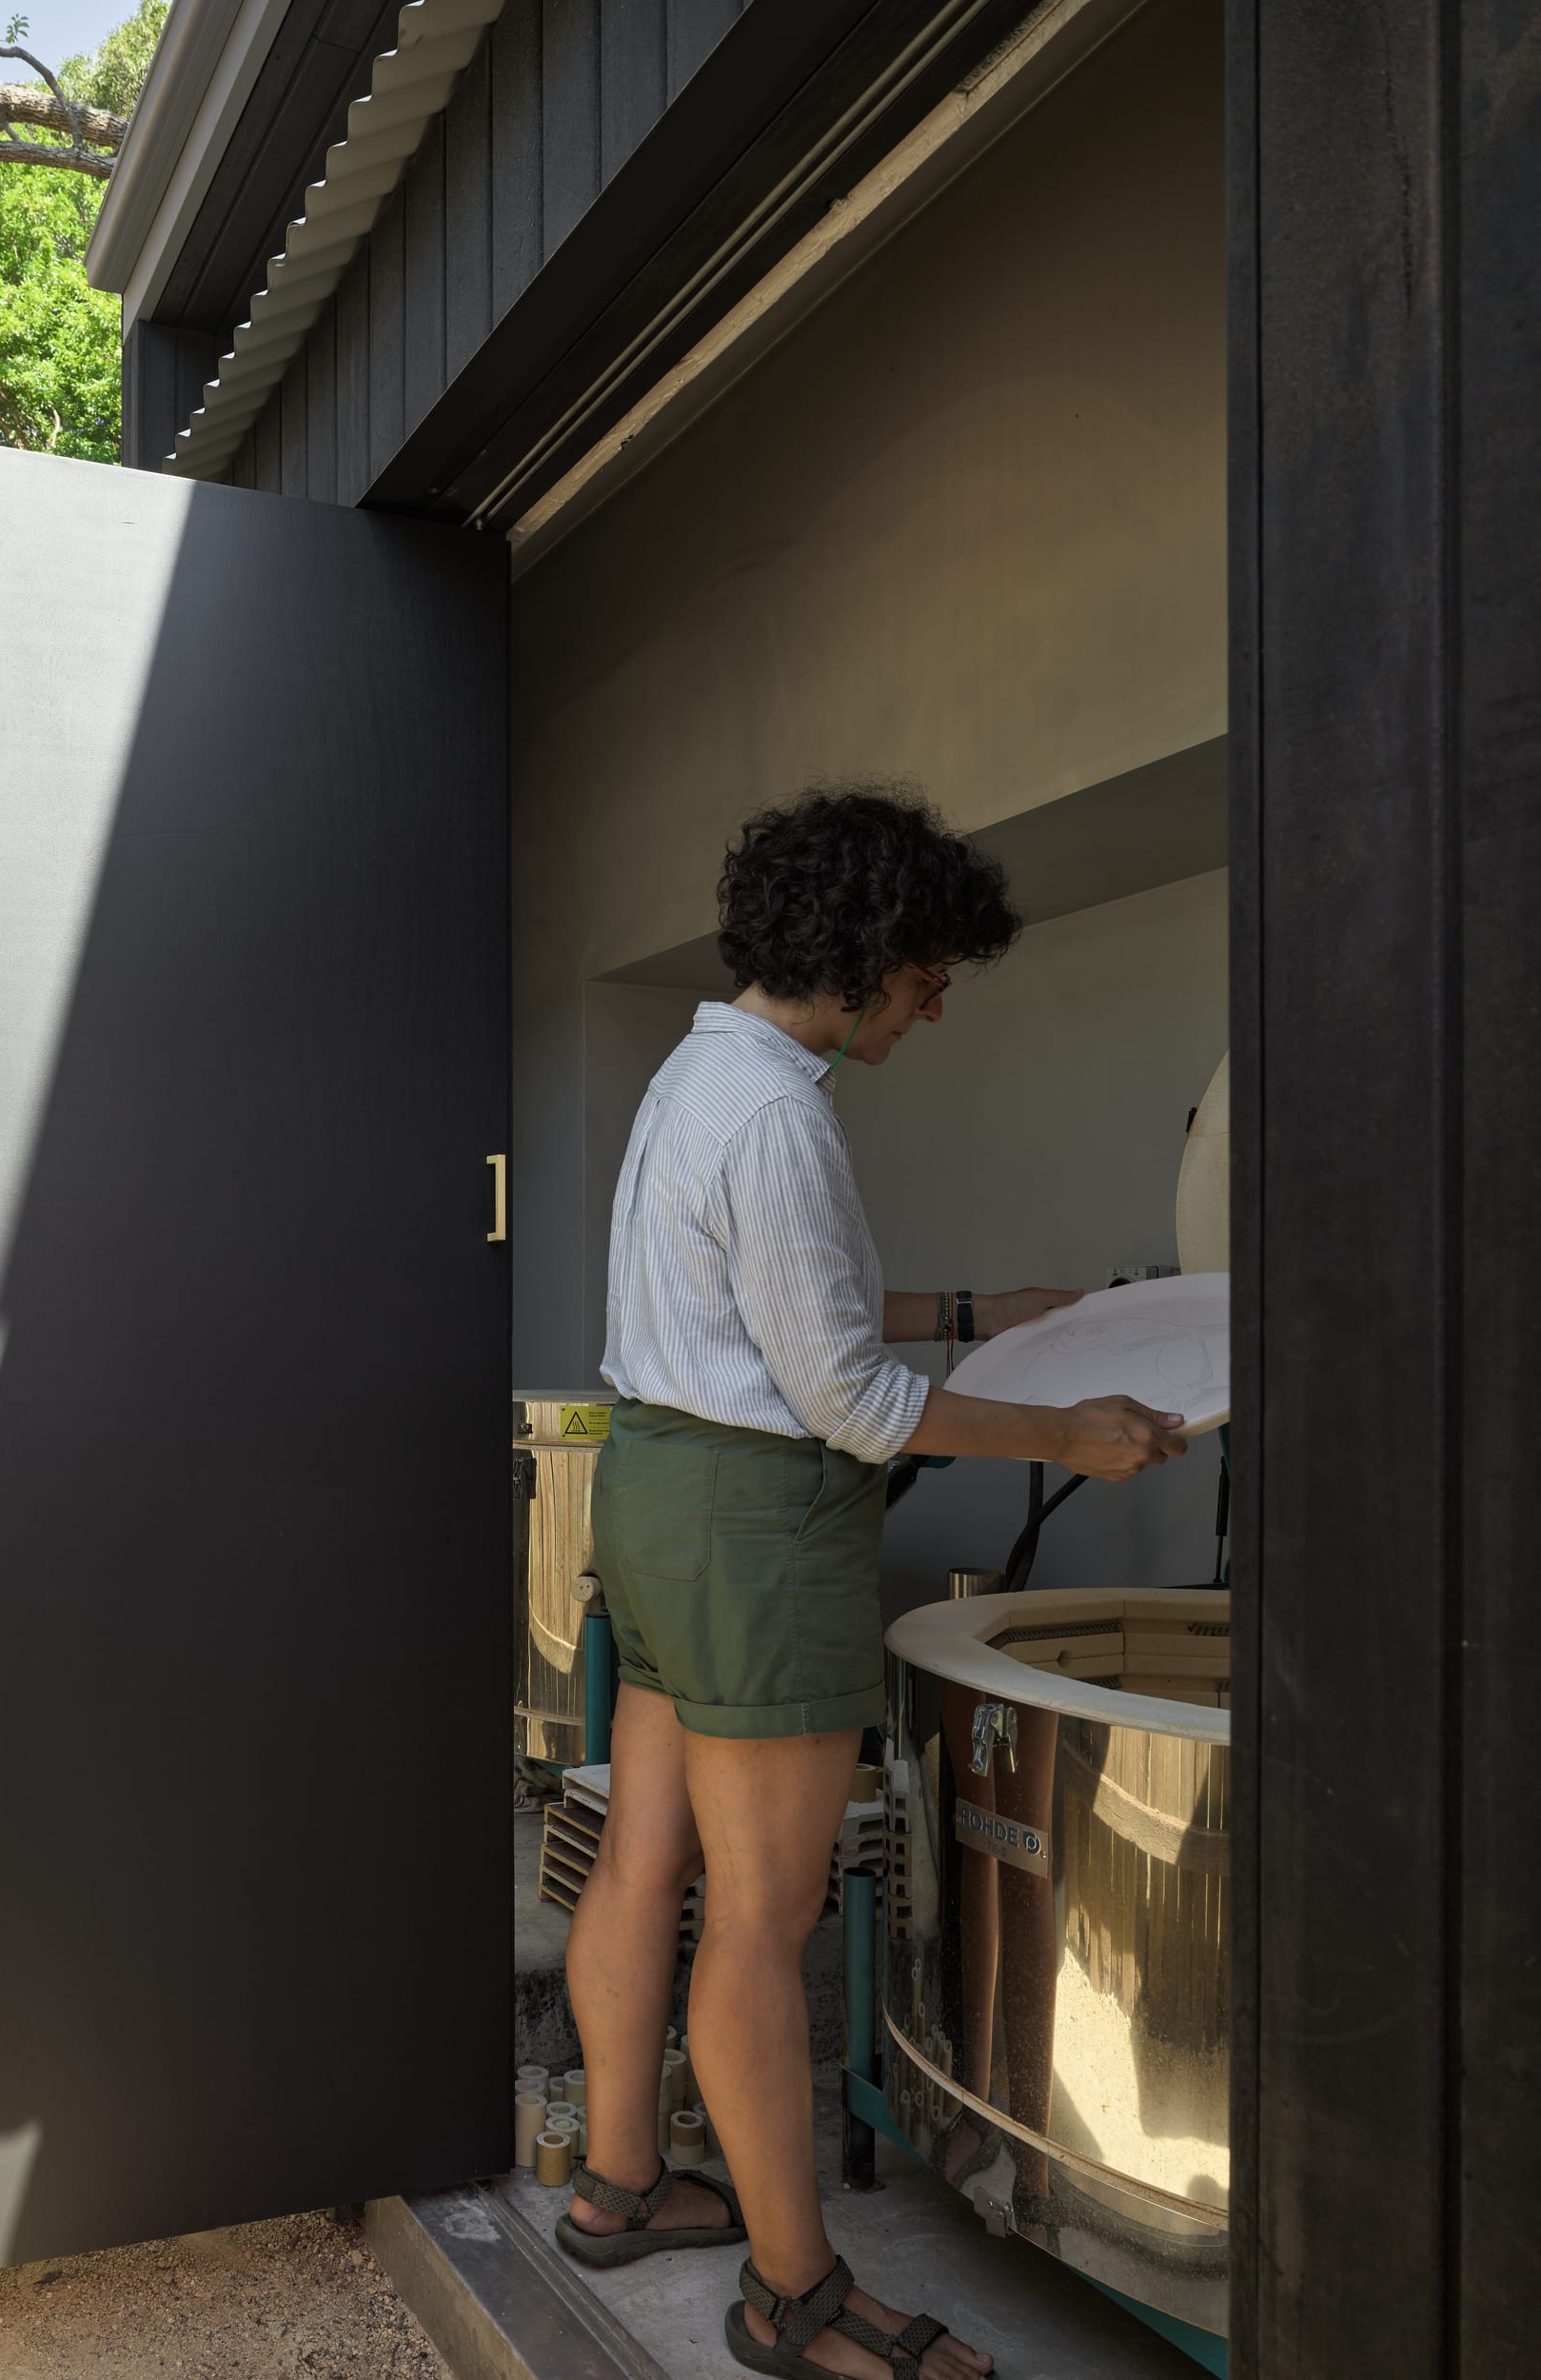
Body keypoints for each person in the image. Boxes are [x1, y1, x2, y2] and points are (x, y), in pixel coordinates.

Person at [554, 787, 1188, 2380]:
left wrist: (981, 1302)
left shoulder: (701, 1074)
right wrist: (1074, 1431)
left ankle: (618, 2188)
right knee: (760, 1923)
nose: (938, 998)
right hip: (755, 1527)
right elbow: (849, 1399)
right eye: (929, 970)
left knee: (644, 1860)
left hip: (657, 1490)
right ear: (870, 952)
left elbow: (781, 1303)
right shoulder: (778, 1112)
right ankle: (796, 2298)